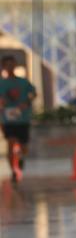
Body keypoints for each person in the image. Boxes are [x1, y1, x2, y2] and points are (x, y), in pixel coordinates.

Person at [0, 55, 36, 183]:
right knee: (10, 142)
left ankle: (20, 158)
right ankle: (13, 172)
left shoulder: (23, 82)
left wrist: (27, 102)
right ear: (3, 67)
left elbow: (34, 93)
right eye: (7, 64)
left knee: (23, 145)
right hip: (8, 119)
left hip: (23, 118)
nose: (10, 67)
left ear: (15, 65)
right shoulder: (1, 83)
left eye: (12, 64)